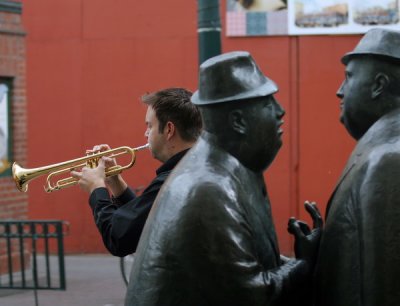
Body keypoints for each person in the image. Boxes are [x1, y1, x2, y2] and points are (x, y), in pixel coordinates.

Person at [125, 51, 322, 306]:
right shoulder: (208, 189)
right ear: (238, 120)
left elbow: (236, 267)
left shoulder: (226, 171)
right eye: (267, 103)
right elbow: (254, 295)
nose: (280, 111)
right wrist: (305, 263)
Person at [314, 28, 400, 306]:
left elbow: (383, 288)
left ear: (378, 84)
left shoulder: (388, 159)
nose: (339, 91)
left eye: (349, 77)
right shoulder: (381, 148)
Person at [71, 88, 202, 256]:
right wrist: (115, 182)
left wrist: (96, 189)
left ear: (169, 129)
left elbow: (118, 239)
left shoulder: (172, 182)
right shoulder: (190, 168)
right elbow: (141, 222)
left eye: (149, 126)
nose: (145, 133)